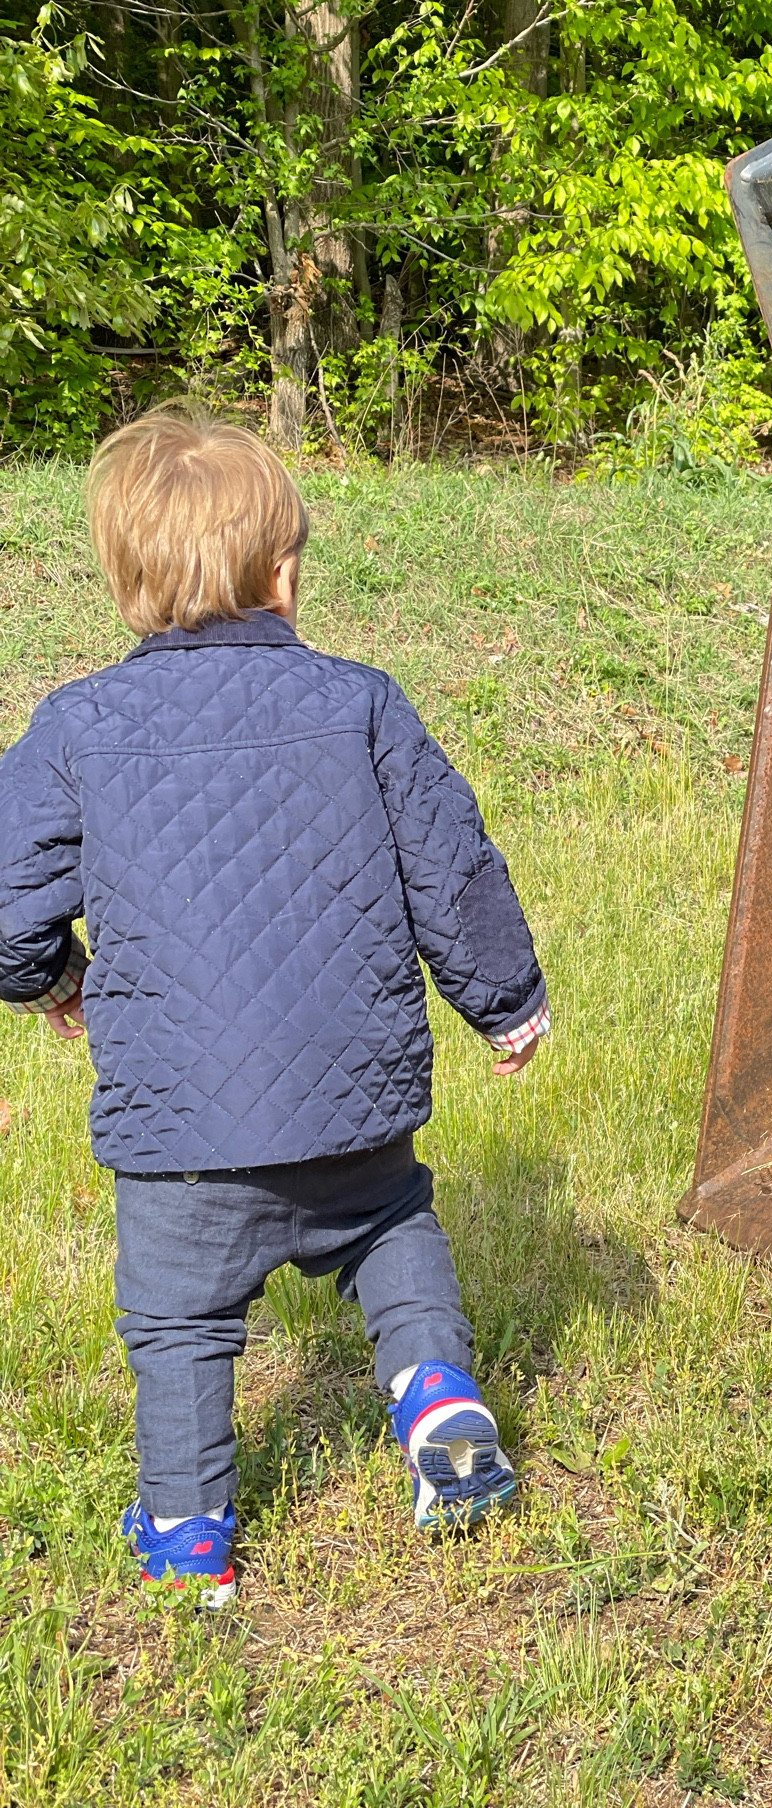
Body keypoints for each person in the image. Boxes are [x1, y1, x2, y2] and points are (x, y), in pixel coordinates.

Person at [0, 409, 548, 1607]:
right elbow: (449, 867)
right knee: (394, 1233)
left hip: (182, 1140)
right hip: (355, 1111)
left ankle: (192, 1533)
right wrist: (505, 999)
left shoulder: (76, 727)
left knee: (182, 1327)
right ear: (284, 572)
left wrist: (55, 979)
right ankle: (442, 1404)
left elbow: (4, 907)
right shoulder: (360, 703)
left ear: (125, 588)